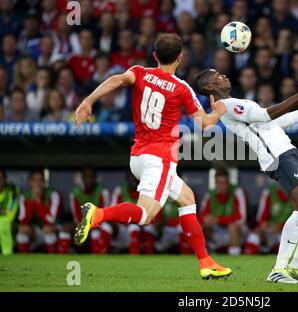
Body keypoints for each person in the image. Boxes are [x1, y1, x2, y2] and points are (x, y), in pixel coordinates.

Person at [74, 33, 231, 280]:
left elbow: (116, 79)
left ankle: (206, 262)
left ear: (155, 55)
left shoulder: (139, 72)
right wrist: (219, 111)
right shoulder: (182, 89)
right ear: (180, 58)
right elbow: (204, 126)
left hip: (138, 156)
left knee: (187, 199)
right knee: (146, 215)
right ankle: (98, 214)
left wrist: (88, 101)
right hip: (160, 159)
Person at [194, 69, 298, 283]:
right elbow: (266, 115)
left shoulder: (237, 103)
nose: (224, 76)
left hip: (290, 152)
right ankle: (278, 269)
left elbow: (278, 121)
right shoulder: (225, 106)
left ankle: (296, 267)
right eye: (217, 76)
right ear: (209, 87)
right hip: (277, 156)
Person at [199, 168, 247, 256]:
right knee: (201, 226)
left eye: (224, 183)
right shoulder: (210, 194)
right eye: (219, 183)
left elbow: (241, 218)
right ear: (215, 183)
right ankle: (205, 255)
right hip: (218, 229)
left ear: (229, 182)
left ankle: (235, 258)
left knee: (233, 227)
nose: (222, 186)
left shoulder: (237, 191)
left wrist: (218, 219)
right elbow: (203, 216)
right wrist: (208, 220)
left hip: (238, 231)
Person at [17, 169, 63, 253]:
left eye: (40, 180)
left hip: (53, 229)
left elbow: (51, 220)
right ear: (29, 182)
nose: (38, 184)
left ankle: (53, 257)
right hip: (34, 232)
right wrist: (31, 202)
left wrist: (38, 202)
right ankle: (24, 261)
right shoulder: (24, 196)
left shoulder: (53, 194)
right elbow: (23, 220)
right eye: (35, 180)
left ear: (45, 182)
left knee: (48, 229)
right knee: (22, 229)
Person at [70, 167, 110, 254]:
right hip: (82, 225)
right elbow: (77, 217)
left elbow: (104, 214)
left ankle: (100, 255)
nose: (88, 179)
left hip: (98, 224)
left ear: (95, 178)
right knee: (67, 231)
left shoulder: (103, 191)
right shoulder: (75, 193)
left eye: (91, 177)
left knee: (104, 228)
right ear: (82, 178)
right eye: (86, 177)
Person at [244, 184, 293, 255]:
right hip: (270, 229)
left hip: (288, 231)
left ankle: (276, 255)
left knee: (284, 239)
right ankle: (248, 260)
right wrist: (264, 226)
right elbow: (261, 217)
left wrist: (280, 227)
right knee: (253, 237)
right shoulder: (269, 192)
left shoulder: (296, 193)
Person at [0, 169, 19, 255]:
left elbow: (10, 213)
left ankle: (7, 253)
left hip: (10, 224)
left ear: (5, 179)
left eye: (0, 178)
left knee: (3, 222)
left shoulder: (12, 191)